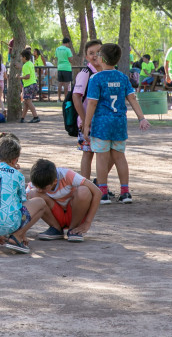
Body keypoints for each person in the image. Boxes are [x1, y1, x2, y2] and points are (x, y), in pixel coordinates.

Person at [82, 43, 150, 204]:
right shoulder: (122, 77)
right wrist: (141, 117)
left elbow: (91, 103)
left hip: (101, 124)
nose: (96, 56)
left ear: (103, 58)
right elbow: (132, 98)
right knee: (120, 157)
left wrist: (86, 125)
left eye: (98, 54)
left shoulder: (96, 78)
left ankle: (103, 193)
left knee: (102, 158)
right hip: (119, 122)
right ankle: (125, 192)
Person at [29, 158, 102, 242]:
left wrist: (88, 222)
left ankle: (73, 229)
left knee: (84, 191)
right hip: (55, 215)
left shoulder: (67, 175)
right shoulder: (37, 180)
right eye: (36, 186)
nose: (39, 190)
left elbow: (97, 192)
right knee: (32, 194)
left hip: (74, 214)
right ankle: (56, 228)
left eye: (43, 188)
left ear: (55, 181)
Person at [72, 40, 104, 184]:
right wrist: (85, 120)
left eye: (98, 52)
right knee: (88, 153)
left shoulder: (106, 72)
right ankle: (85, 185)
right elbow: (76, 97)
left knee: (107, 154)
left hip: (104, 121)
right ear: (86, 57)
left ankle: (100, 182)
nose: (95, 56)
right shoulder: (86, 73)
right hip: (88, 123)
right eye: (91, 53)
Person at [19, 48, 41, 123]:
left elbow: (27, 76)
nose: (21, 58)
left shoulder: (25, 65)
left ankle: (35, 116)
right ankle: (22, 118)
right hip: (33, 84)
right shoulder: (31, 63)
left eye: (21, 57)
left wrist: (19, 77)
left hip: (28, 85)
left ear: (24, 57)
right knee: (26, 102)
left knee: (28, 102)